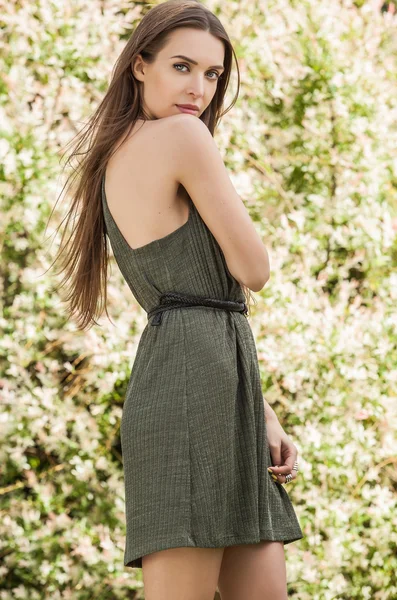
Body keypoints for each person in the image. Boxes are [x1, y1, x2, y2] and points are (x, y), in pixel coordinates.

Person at [52, 1, 303, 598]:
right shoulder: (184, 136)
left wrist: (260, 413)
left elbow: (202, 302)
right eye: (182, 67)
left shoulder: (115, 154)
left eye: (213, 75)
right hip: (190, 391)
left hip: (212, 383)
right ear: (140, 65)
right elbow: (254, 269)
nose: (198, 89)